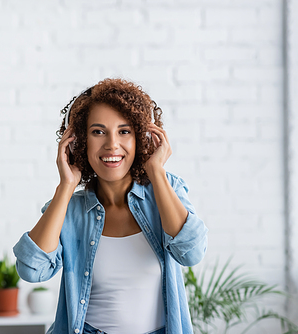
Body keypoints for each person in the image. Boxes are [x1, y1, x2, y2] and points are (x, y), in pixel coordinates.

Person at [13, 78, 208, 334]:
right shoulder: (70, 210)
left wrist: (156, 171)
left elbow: (191, 253)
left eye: (124, 131)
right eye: (98, 131)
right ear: (79, 141)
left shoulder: (166, 189)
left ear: (141, 137)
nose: (112, 144)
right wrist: (66, 187)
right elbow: (32, 271)